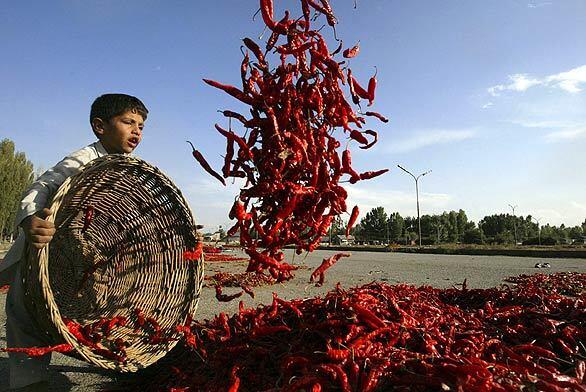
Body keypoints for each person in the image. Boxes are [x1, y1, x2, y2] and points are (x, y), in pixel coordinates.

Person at [0, 93, 148, 391]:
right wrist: (30, 221)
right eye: (128, 122)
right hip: (47, 248)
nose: (137, 131)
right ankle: (29, 381)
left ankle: (122, 359)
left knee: (95, 312)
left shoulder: (128, 170)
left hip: (85, 255)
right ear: (100, 126)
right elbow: (41, 186)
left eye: (142, 126)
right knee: (24, 310)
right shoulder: (83, 160)